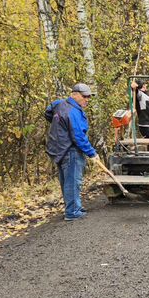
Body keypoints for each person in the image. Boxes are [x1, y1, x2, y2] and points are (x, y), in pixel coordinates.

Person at [45, 83, 98, 221]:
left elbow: (48, 111)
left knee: (66, 180)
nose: (87, 99)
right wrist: (92, 153)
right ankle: (73, 211)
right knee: (73, 181)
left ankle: (73, 207)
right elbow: (79, 136)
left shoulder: (59, 104)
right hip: (70, 149)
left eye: (89, 97)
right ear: (74, 94)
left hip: (58, 149)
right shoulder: (73, 112)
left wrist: (60, 124)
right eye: (84, 96)